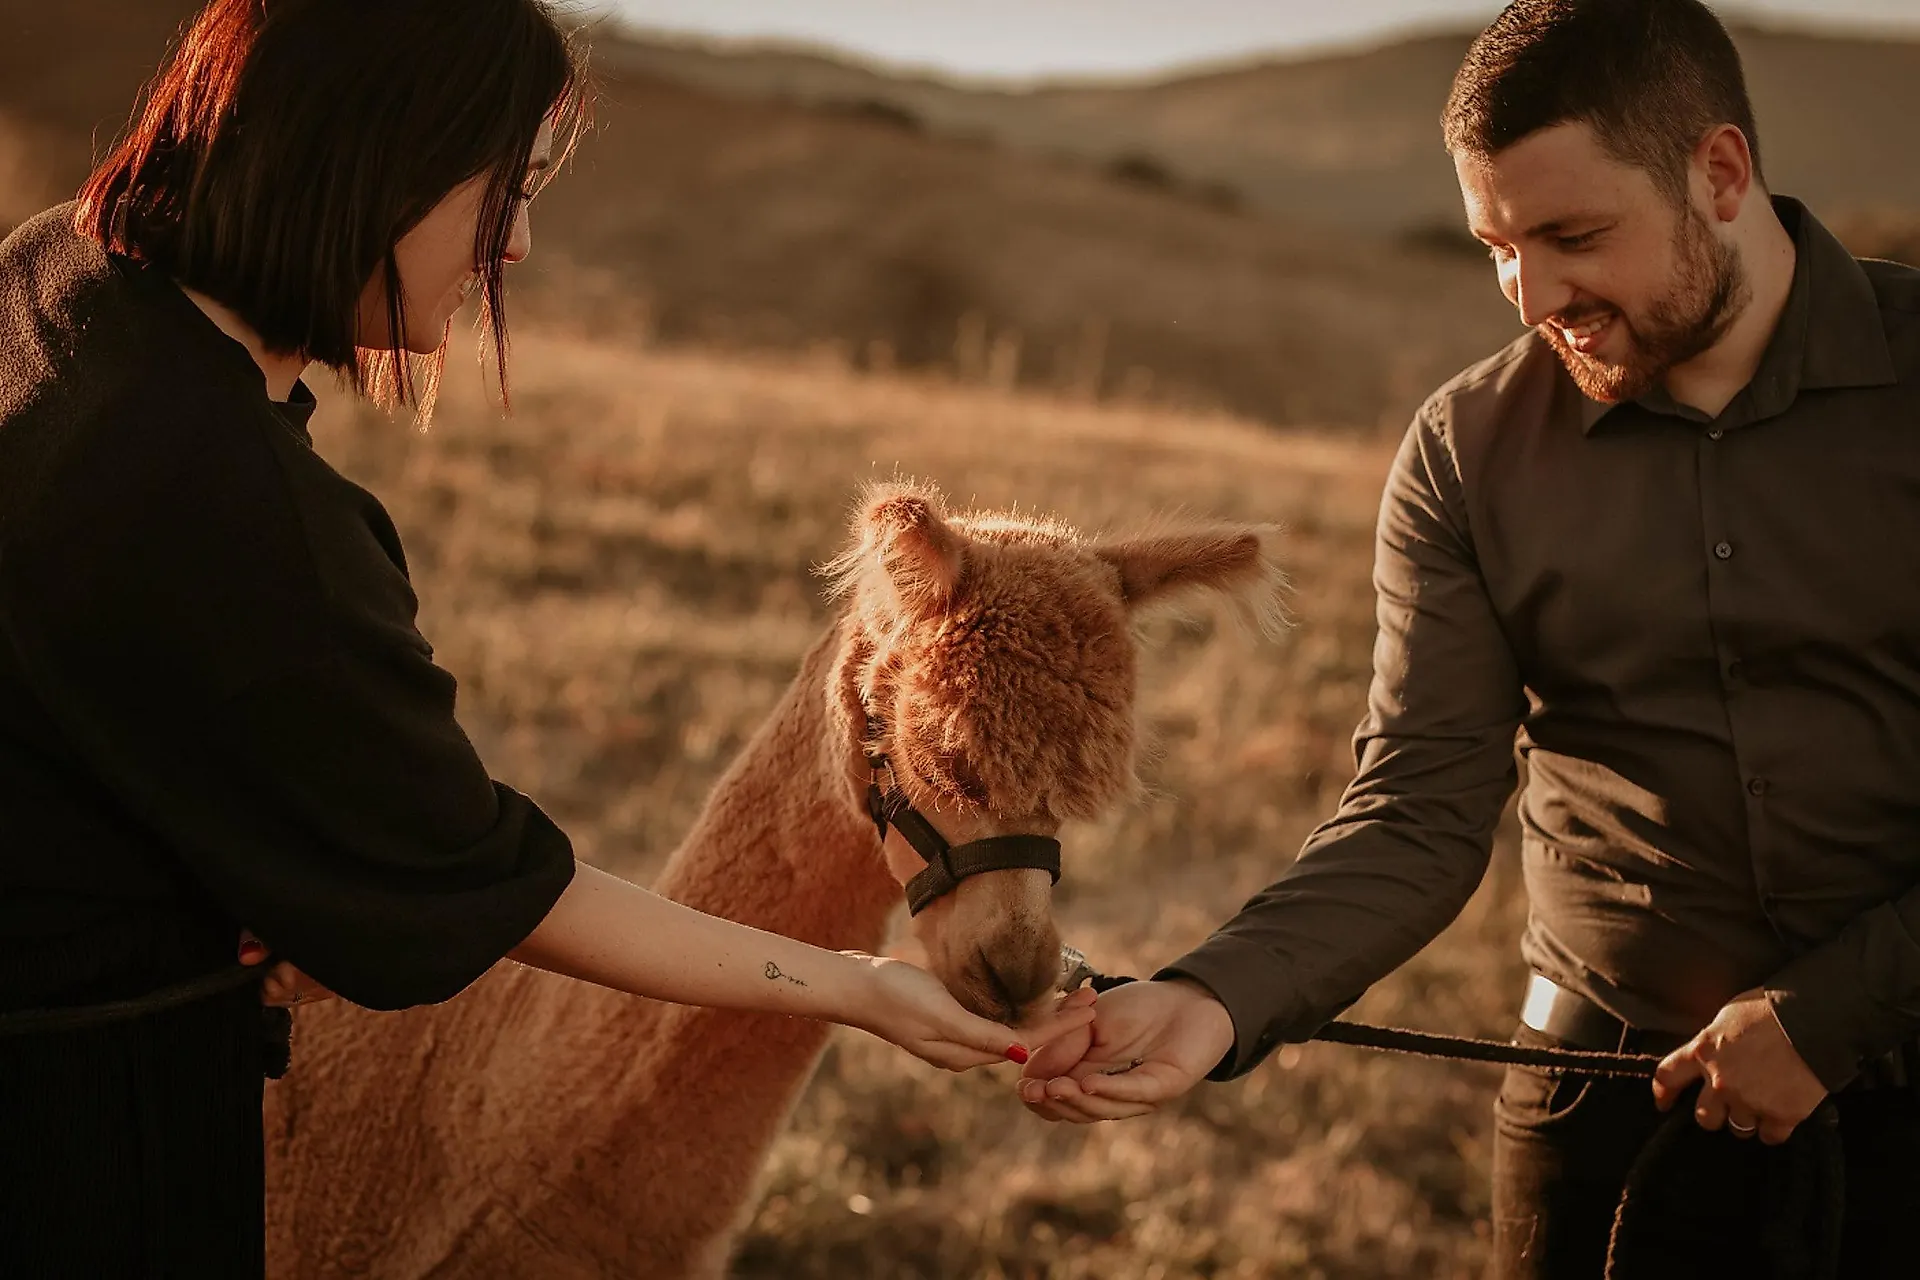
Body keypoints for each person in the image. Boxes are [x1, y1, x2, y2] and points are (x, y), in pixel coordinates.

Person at [0, 1, 1089, 1273]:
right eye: (498, 188)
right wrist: (858, 984)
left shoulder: (49, 281)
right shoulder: (242, 511)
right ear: (369, 154)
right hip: (83, 1134)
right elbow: (499, 886)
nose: (512, 241)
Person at [1019, 1, 1920, 1274]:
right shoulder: (1465, 453)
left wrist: (1840, 1013)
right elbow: (1418, 810)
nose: (1535, 296)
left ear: (1722, 173)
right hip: (1606, 1121)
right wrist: (1212, 996)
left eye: (1574, 235)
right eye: (1498, 247)